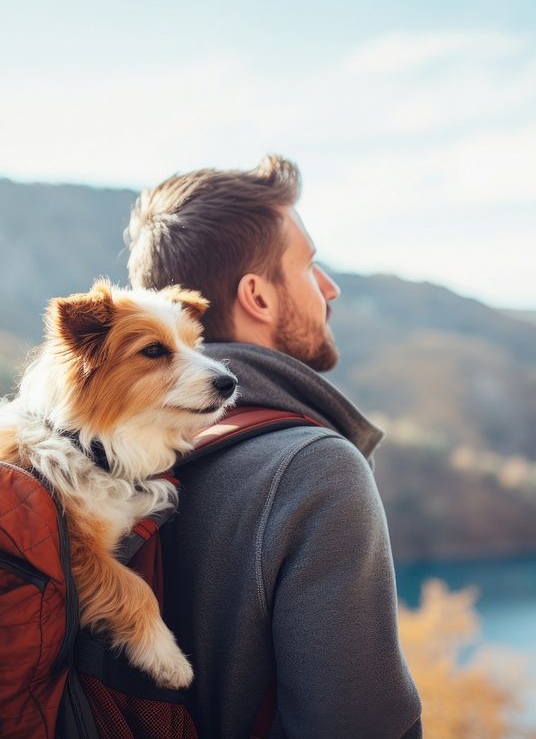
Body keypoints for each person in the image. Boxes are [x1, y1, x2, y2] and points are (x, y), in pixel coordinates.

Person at [126, 155, 422, 739]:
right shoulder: (312, 469)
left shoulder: (96, 463)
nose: (330, 287)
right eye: (310, 265)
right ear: (257, 296)